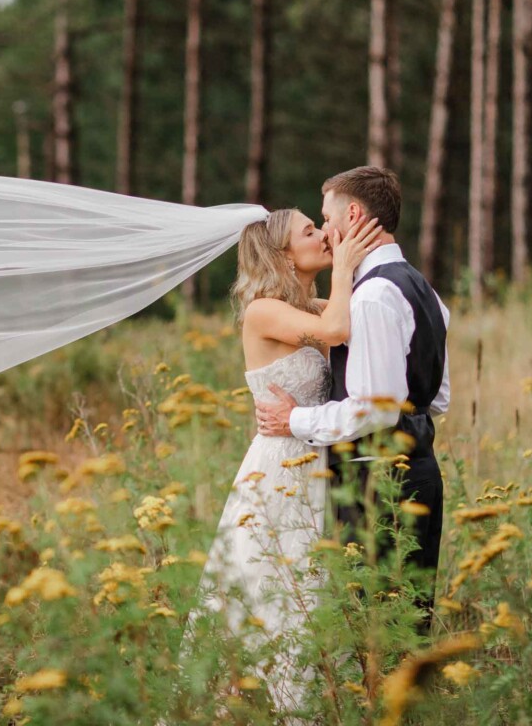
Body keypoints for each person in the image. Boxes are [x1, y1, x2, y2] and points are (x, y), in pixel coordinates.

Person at [178, 208, 382, 719]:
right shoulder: (262, 310)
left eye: (320, 225)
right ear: (281, 254)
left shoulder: (303, 304)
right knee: (277, 591)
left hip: (314, 461)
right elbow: (336, 330)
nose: (322, 236)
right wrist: (345, 267)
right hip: (280, 467)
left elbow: (357, 318)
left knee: (313, 590)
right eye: (309, 232)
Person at [255, 165, 451, 640]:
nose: (324, 231)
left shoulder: (371, 298)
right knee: (408, 627)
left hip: (377, 485)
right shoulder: (423, 288)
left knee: (377, 633)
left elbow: (375, 408)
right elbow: (437, 399)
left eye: (326, 217)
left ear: (355, 213)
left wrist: (295, 418)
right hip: (419, 473)